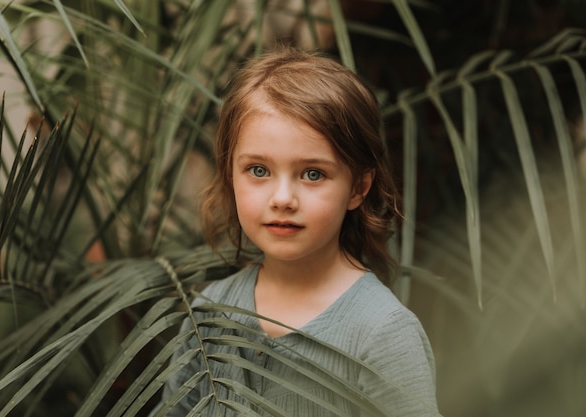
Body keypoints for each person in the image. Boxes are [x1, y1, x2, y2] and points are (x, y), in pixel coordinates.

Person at [154, 47, 439, 416]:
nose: (283, 198)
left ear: (358, 188)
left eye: (312, 174)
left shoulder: (382, 334)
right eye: (258, 170)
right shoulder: (210, 311)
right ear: (230, 174)